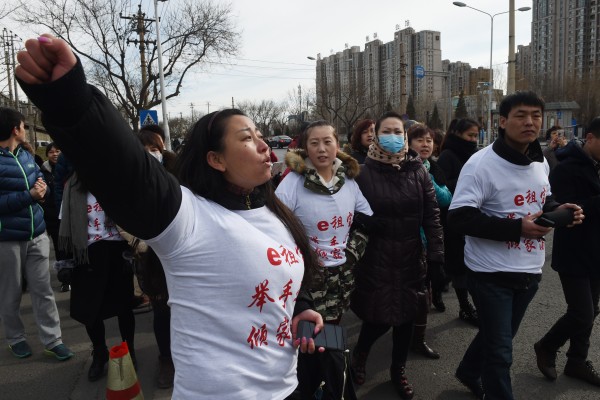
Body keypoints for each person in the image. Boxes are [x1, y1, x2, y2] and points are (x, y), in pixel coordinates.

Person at [16, 34, 323, 399]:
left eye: (260, 134)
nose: (262, 144)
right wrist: (71, 100)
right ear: (216, 159)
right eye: (246, 138)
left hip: (287, 386)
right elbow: (129, 172)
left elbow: (277, 283)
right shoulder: (190, 217)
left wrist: (300, 308)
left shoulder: (275, 212)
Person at [448, 91, 584, 400]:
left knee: (500, 336)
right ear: (503, 121)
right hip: (489, 273)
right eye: (521, 115)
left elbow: (543, 198)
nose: (530, 122)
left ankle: (469, 371)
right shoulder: (480, 165)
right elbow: (458, 218)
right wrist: (517, 227)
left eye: (536, 116)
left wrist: (562, 211)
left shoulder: (539, 163)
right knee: (501, 352)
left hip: (530, 270)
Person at [350, 111, 444, 399]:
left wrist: (437, 256)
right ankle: (361, 354)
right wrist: (362, 222)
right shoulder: (361, 173)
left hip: (410, 257)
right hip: (375, 259)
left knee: (406, 317)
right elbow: (347, 213)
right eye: (386, 131)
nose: (393, 137)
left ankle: (398, 370)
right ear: (376, 136)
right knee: (376, 317)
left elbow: (432, 215)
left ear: (405, 136)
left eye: (398, 132)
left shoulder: (418, 171)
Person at [276, 120, 372, 399]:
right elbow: (277, 228)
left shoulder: (348, 180)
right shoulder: (293, 181)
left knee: (333, 327)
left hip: (342, 276)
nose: (321, 149)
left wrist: (351, 253)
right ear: (305, 147)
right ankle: (322, 385)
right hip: (308, 277)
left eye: (327, 142)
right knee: (313, 337)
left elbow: (366, 219)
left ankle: (328, 382)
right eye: (314, 143)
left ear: (337, 145)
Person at [0, 107, 73, 361]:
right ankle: (16, 338)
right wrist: (28, 196)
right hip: (7, 239)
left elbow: (44, 184)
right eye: (23, 125)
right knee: (10, 292)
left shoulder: (27, 155)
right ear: (15, 129)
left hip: (38, 234)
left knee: (43, 290)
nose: (25, 128)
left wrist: (43, 190)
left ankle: (53, 340)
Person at [534, 117, 600, 387]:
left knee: (592, 310)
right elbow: (562, 211)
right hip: (574, 251)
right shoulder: (564, 168)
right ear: (591, 138)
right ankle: (546, 346)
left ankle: (576, 360)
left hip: (597, 251)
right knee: (582, 312)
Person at [59, 172, 136, 382]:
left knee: (124, 306)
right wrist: (64, 262)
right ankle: (100, 353)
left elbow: (134, 216)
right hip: (87, 252)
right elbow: (64, 223)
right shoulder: (73, 186)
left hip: (118, 249)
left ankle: (130, 350)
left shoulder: (117, 182)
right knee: (90, 309)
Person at [407, 123, 452, 360]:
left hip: (427, 240)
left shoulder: (432, 168)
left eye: (429, 140)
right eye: (420, 140)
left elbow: (446, 198)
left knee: (422, 293)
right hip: (403, 241)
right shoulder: (400, 167)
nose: (425, 144)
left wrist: (427, 177)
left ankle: (417, 340)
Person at [437, 118, 480, 327]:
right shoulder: (448, 156)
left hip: (474, 218)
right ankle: (465, 306)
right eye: (469, 136)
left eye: (475, 136)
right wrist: (467, 182)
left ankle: (441, 284)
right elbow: (442, 188)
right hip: (453, 220)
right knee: (459, 266)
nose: (473, 140)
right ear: (456, 133)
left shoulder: (476, 156)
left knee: (466, 265)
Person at [39, 142, 70, 291]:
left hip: (67, 213)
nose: (55, 154)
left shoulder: (66, 166)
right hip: (51, 216)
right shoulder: (43, 171)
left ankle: (71, 275)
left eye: (57, 151)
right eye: (51, 152)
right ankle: (64, 276)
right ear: (47, 155)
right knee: (59, 247)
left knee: (68, 246)